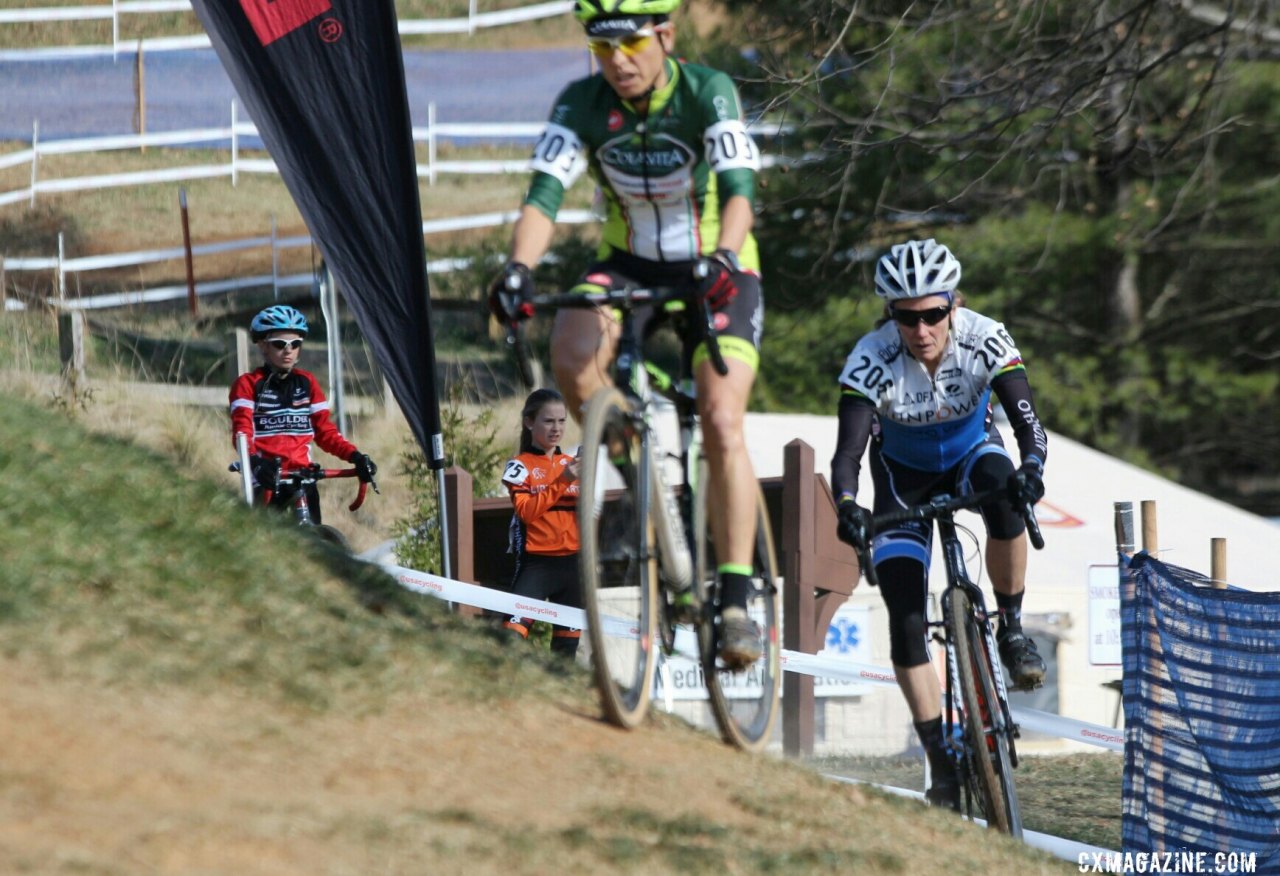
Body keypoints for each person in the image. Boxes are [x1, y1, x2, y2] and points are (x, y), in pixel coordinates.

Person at [487, 0, 766, 671]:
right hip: (628, 262)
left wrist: (725, 255)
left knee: (724, 422)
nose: (616, 62)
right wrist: (518, 268)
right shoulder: (580, 104)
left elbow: (738, 191)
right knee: (572, 353)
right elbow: (543, 196)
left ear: (664, 35)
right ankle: (633, 461)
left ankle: (734, 594)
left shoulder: (707, 91)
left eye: (631, 44)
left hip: (714, 263)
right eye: (602, 47)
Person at [830, 239, 1049, 809]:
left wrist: (1032, 470)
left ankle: (1011, 626)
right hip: (902, 480)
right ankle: (942, 760)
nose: (921, 328)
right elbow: (848, 453)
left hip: (973, 453)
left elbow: (1029, 427)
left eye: (933, 313)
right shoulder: (870, 358)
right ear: (891, 316)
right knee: (904, 620)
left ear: (954, 305)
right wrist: (849, 502)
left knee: (1006, 498)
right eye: (906, 317)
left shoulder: (985, 337)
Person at [229, 305, 377, 524]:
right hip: (266, 478)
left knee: (315, 545)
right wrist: (255, 462)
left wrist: (355, 456)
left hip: (303, 478)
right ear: (263, 346)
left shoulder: (307, 383)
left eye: (295, 344)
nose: (288, 351)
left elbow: (325, 432)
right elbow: (242, 433)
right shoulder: (247, 384)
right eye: (280, 344)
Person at [500, 389, 583, 658]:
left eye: (561, 421)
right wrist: (563, 481)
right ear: (529, 422)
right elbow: (526, 513)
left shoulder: (571, 463)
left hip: (573, 566)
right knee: (510, 638)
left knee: (566, 652)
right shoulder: (519, 466)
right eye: (548, 421)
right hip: (537, 564)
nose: (556, 428)